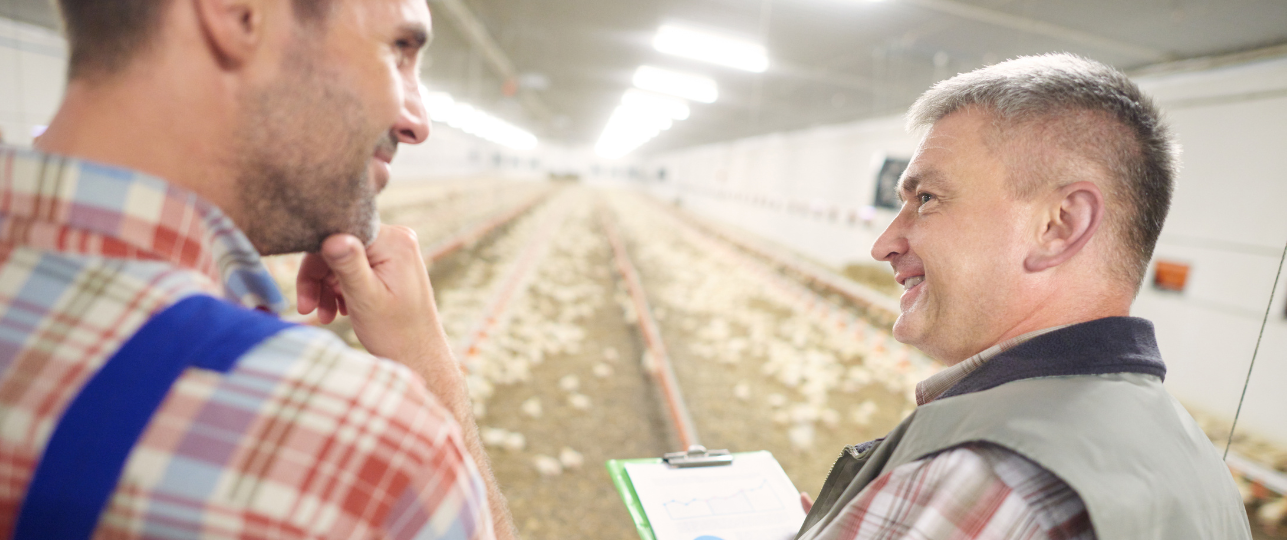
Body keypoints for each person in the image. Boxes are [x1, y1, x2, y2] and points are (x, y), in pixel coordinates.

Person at [0, 0, 516, 538]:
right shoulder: (368, 451)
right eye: (398, 50)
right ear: (238, 14)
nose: (417, 123)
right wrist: (434, 376)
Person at [795, 54, 1252, 540]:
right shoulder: (1192, 459)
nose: (883, 243)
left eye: (926, 198)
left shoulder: (984, 476)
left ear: (1059, 226)